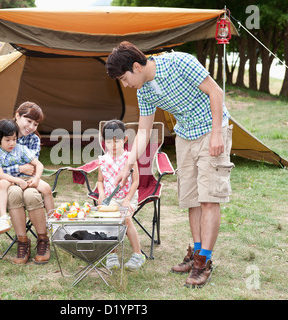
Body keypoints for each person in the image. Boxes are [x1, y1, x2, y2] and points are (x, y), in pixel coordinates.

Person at [105, 41, 234, 288]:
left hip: (211, 130)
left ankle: (203, 262)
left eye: (123, 78)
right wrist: (127, 165)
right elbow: (143, 133)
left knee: (208, 198)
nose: (125, 84)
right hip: (185, 135)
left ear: (136, 66)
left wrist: (217, 133)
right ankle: (196, 251)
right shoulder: (144, 91)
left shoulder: (179, 62)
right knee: (191, 198)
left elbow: (216, 92)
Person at [0, 101, 51, 265]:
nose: (31, 127)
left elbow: (32, 169)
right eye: (28, 121)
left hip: (27, 183)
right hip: (7, 183)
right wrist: (18, 168)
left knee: (31, 194)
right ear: (17, 116)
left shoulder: (33, 140)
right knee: (13, 193)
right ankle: (22, 242)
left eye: (35, 124)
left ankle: (43, 240)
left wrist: (14, 172)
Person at [0, 119, 55, 235]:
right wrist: (18, 181)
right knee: (2, 183)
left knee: (47, 188)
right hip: (8, 179)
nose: (12, 143)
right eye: (7, 140)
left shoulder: (21, 149)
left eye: (14, 139)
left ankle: (52, 220)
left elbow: (39, 164)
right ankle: (4, 218)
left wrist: (37, 178)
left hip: (26, 178)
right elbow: (0, 174)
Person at [98, 120, 144, 272]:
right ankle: (112, 254)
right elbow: (100, 181)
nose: (113, 145)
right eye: (109, 142)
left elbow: (136, 182)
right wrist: (102, 194)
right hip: (111, 199)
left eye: (117, 141)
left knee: (126, 218)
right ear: (104, 142)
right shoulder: (103, 160)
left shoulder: (130, 158)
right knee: (109, 220)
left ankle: (138, 254)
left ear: (124, 139)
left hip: (127, 197)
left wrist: (127, 199)